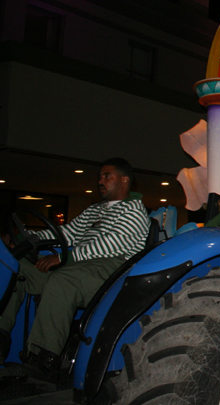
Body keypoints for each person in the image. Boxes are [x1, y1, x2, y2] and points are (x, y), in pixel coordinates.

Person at [0, 158, 149, 380]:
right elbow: (66, 233)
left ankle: (44, 359)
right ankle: (2, 334)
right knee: (18, 267)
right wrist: (23, 238)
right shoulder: (95, 211)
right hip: (81, 266)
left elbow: (109, 245)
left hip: (113, 269)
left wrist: (63, 258)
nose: (101, 180)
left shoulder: (135, 212)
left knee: (63, 281)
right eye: (99, 176)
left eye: (107, 176)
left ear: (125, 180)